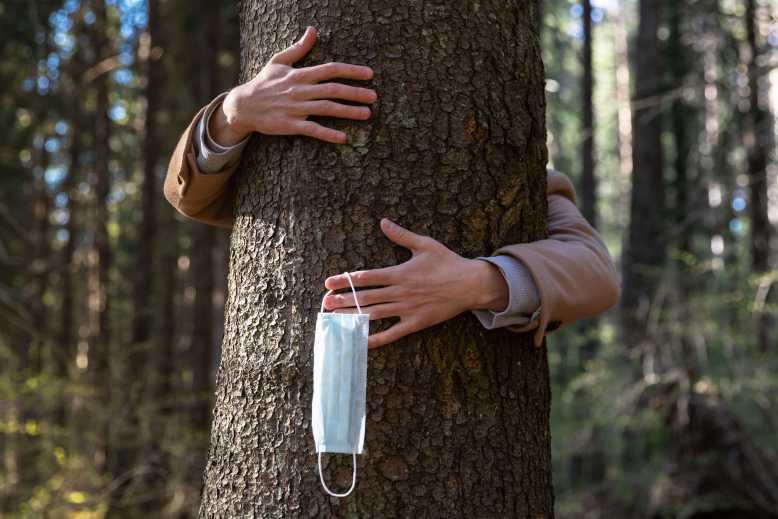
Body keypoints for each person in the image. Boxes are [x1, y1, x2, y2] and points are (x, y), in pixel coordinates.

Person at [164, 26, 620, 349]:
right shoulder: (268, 150)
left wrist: (479, 283)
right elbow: (190, 195)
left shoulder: (514, 181)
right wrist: (234, 113)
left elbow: (596, 274)